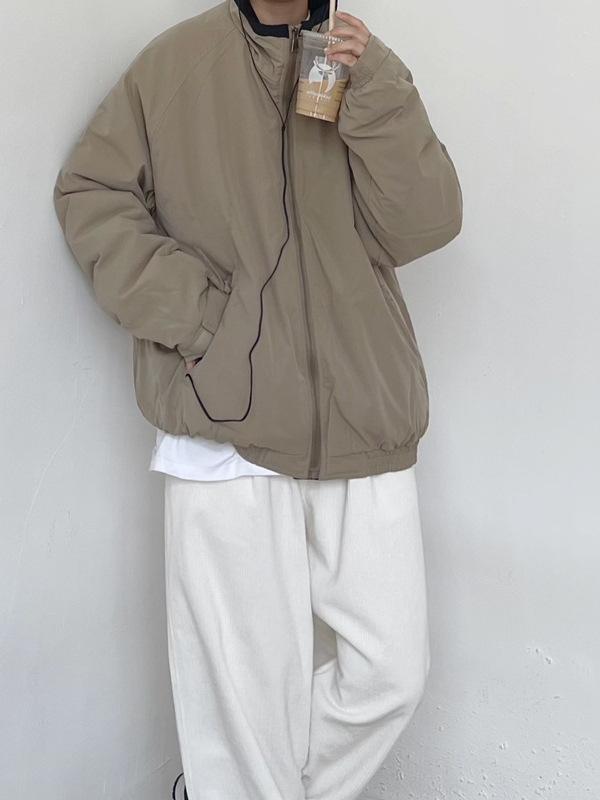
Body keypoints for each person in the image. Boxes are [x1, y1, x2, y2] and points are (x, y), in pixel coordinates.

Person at [53, 0, 463, 797]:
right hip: (225, 419)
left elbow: (424, 226)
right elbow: (90, 192)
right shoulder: (176, 64)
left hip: (363, 407)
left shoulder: (363, 65)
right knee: (243, 699)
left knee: (390, 672)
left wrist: (376, 86)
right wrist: (202, 320)